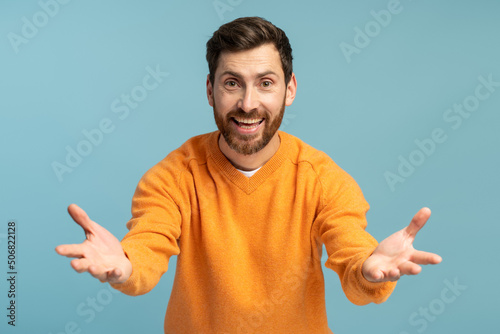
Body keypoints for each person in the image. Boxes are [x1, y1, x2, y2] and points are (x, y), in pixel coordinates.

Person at [56, 16, 442, 333]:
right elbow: (146, 249)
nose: (248, 103)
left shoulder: (322, 178)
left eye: (266, 83)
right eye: (231, 83)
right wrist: (124, 266)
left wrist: (370, 271)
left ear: (289, 90)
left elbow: (352, 253)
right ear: (210, 90)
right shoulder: (173, 176)